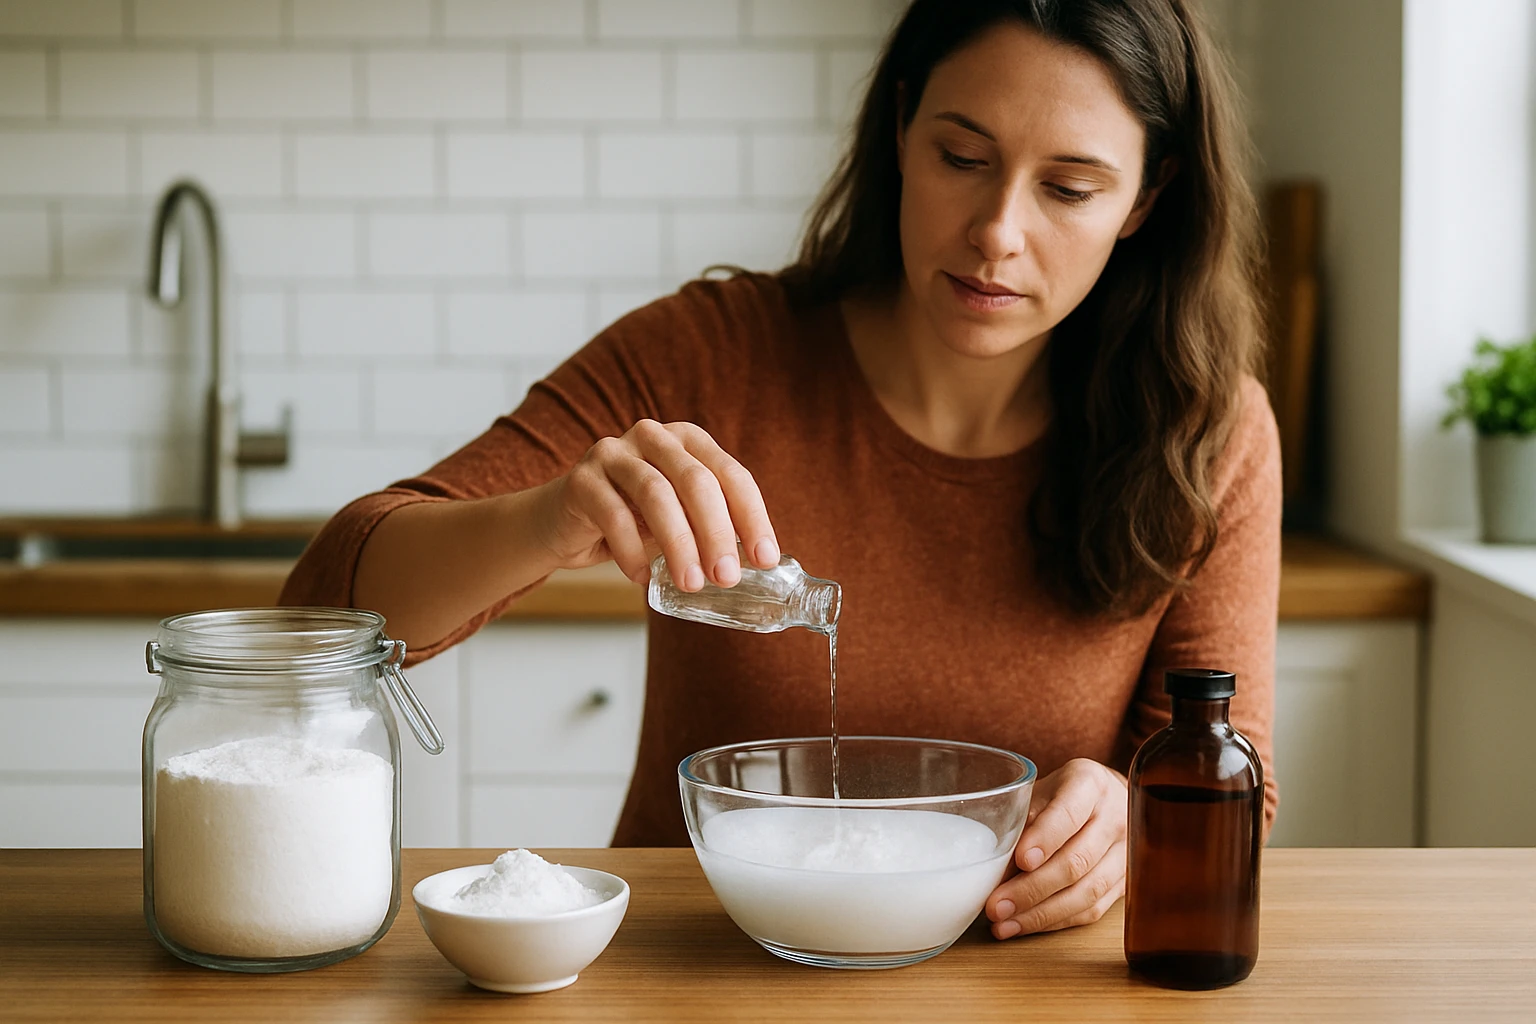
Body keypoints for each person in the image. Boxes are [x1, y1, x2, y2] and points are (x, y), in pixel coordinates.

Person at [281, 0, 1280, 942]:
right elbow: (321, 609)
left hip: (1019, 986)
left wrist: (1132, 811)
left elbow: (1238, 775)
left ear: (1146, 198)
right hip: (696, 970)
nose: (997, 232)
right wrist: (545, 520)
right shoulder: (705, 358)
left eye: (1068, 189)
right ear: (902, 128)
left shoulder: (1209, 433)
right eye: (963, 157)